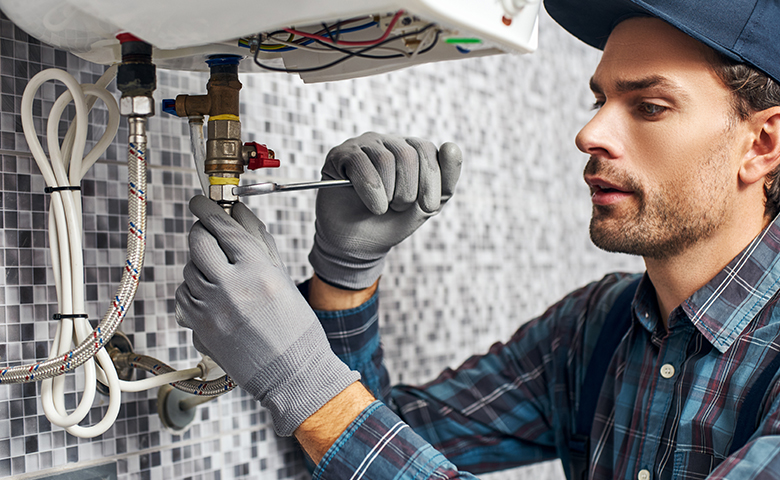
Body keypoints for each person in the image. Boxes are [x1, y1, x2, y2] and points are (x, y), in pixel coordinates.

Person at [174, 0, 780, 478]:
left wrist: (302, 382)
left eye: (648, 106)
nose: (589, 133)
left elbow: (337, 420)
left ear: (763, 145)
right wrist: (344, 274)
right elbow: (373, 443)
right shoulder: (596, 329)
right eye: (599, 100)